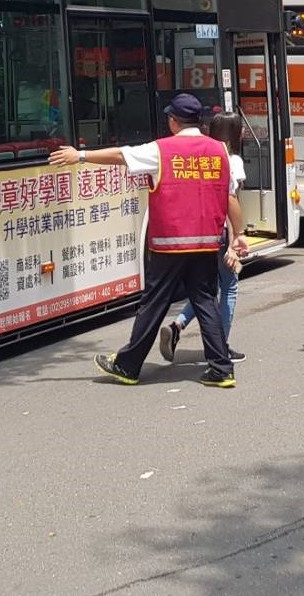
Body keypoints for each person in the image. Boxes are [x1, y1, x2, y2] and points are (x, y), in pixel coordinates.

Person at [48, 94, 247, 388]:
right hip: (206, 242)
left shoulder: (162, 149)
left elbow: (121, 155)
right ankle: (221, 368)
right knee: (206, 300)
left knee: (154, 303)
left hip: (170, 243)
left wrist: (79, 156)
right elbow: (230, 198)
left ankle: (127, 365)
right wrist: (239, 234)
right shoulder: (220, 151)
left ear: (173, 121)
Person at [159, 112, 247, 365]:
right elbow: (231, 203)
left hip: (203, 233)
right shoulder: (233, 161)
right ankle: (221, 347)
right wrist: (234, 241)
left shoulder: (203, 158)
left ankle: (178, 324)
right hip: (222, 234)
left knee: (207, 289)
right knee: (229, 287)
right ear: (235, 133)